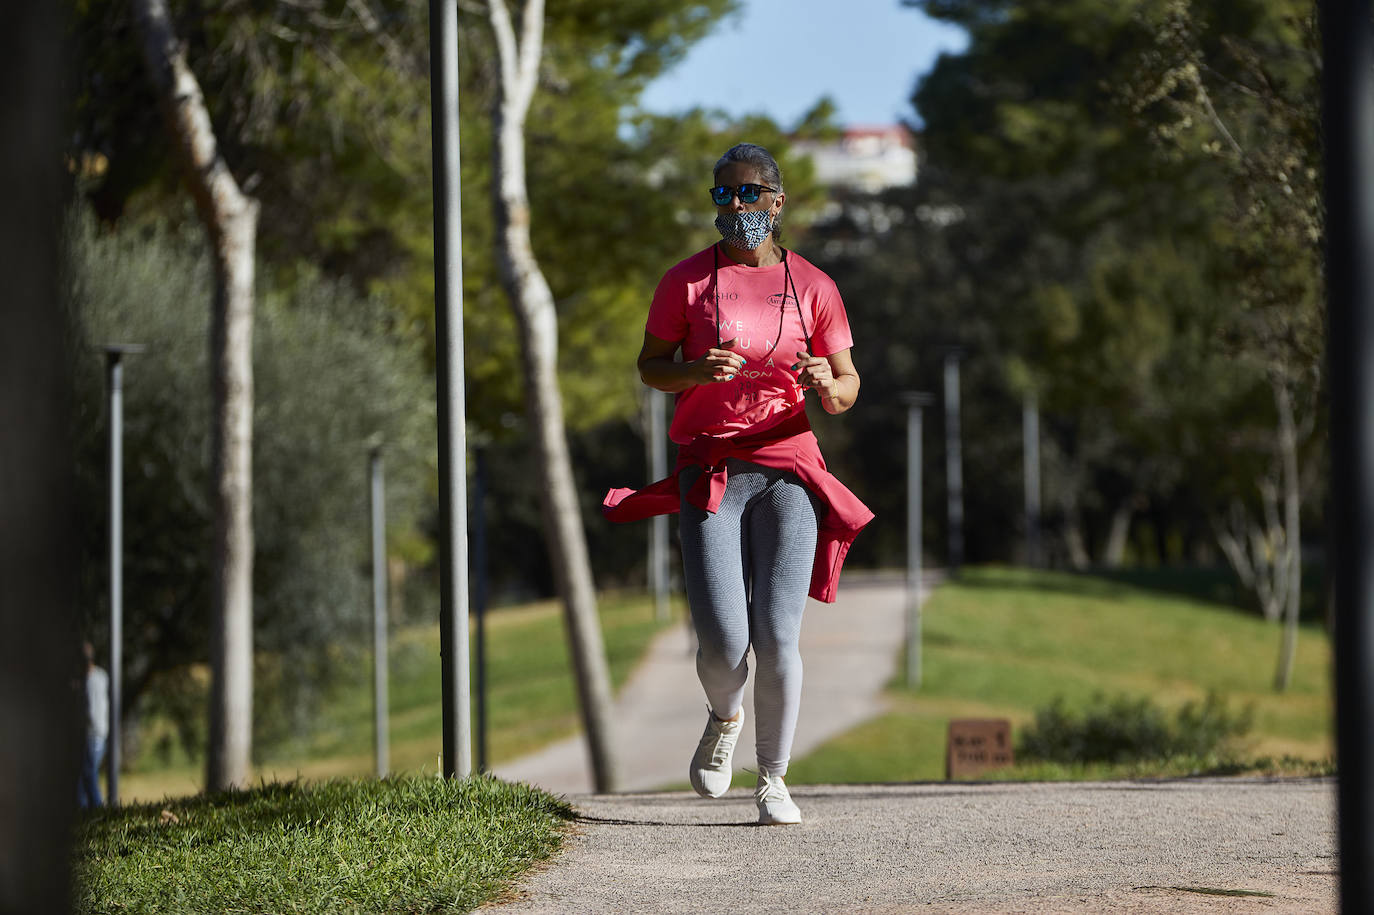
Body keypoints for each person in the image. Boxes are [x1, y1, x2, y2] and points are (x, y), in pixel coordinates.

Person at [604, 143, 873, 825]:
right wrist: (693, 371)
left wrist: (826, 383)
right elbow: (650, 367)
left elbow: (847, 385)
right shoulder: (686, 282)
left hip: (788, 468)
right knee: (724, 642)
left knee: (778, 633)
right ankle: (724, 714)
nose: (736, 208)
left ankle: (774, 778)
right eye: (723, 196)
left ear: (777, 203)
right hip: (712, 471)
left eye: (749, 194)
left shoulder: (814, 285)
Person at [79, 640, 109, 808]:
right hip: (101, 731)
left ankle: (95, 807)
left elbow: (89, 711)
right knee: (88, 775)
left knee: (88, 775)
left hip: (92, 733)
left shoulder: (89, 681)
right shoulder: (102, 676)